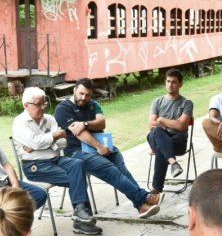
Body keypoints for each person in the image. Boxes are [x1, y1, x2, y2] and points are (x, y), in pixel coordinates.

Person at [55, 79, 163, 218]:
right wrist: (99, 147)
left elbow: (101, 123)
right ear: (74, 90)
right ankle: (144, 198)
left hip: (97, 147)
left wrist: (85, 123)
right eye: (81, 93)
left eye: (88, 95)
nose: (84, 98)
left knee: (121, 167)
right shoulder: (63, 109)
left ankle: (141, 206)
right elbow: (80, 133)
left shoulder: (92, 105)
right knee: (110, 169)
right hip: (77, 153)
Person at [11, 87, 103, 235]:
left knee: (77, 164)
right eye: (38, 104)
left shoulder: (50, 119)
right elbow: (37, 142)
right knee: (77, 178)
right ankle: (82, 219)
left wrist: (44, 142)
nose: (42, 107)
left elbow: (62, 143)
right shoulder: (20, 122)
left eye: (43, 103)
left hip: (55, 159)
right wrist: (53, 137)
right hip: (35, 166)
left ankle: (80, 213)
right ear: (26, 105)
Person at [146, 69, 194, 192]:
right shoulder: (157, 101)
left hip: (177, 142)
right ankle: (173, 163)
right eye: (168, 81)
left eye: (173, 82)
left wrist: (161, 120)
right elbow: (151, 124)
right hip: (158, 138)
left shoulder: (186, 103)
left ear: (180, 84)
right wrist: (172, 124)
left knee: (161, 146)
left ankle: (156, 190)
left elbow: (182, 126)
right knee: (157, 132)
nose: (170, 85)